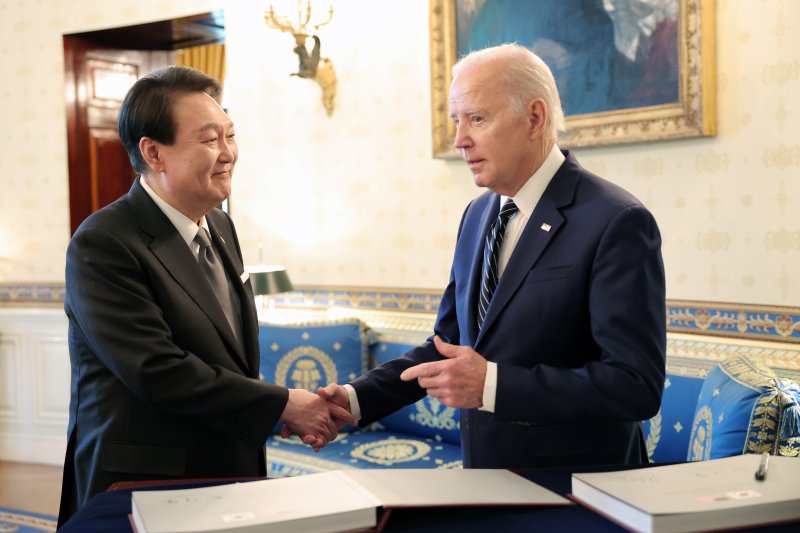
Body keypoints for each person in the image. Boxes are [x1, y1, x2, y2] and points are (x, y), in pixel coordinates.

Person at [320, 43, 666, 469]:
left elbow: (635, 385)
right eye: (457, 121)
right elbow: (448, 347)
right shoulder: (477, 214)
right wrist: (355, 398)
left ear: (534, 118)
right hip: (483, 476)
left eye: (477, 118)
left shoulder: (616, 221)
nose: (459, 140)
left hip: (577, 488)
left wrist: (493, 386)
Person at [58, 66, 353, 527]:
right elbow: (157, 371)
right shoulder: (104, 243)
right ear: (154, 152)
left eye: (230, 135)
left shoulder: (221, 225)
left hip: (229, 472)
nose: (228, 153)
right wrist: (280, 404)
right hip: (145, 485)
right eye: (210, 139)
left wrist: (274, 410)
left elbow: (227, 354)